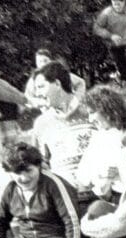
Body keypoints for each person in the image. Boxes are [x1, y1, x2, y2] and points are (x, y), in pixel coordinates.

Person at [30, 62, 95, 192]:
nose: (38, 93)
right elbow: (40, 164)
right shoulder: (42, 123)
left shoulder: (93, 112)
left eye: (41, 87)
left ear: (58, 84)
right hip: (66, 199)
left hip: (102, 195)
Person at [76, 84, 126, 203]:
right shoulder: (99, 137)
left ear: (106, 110)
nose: (90, 119)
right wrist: (102, 176)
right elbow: (84, 176)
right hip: (111, 198)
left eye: (92, 112)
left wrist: (119, 173)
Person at [92, 0, 126, 95]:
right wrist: (110, 35)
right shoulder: (106, 13)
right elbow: (97, 28)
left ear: (124, 2)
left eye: (119, 2)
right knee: (123, 71)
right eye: (114, 2)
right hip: (115, 47)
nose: (116, 5)